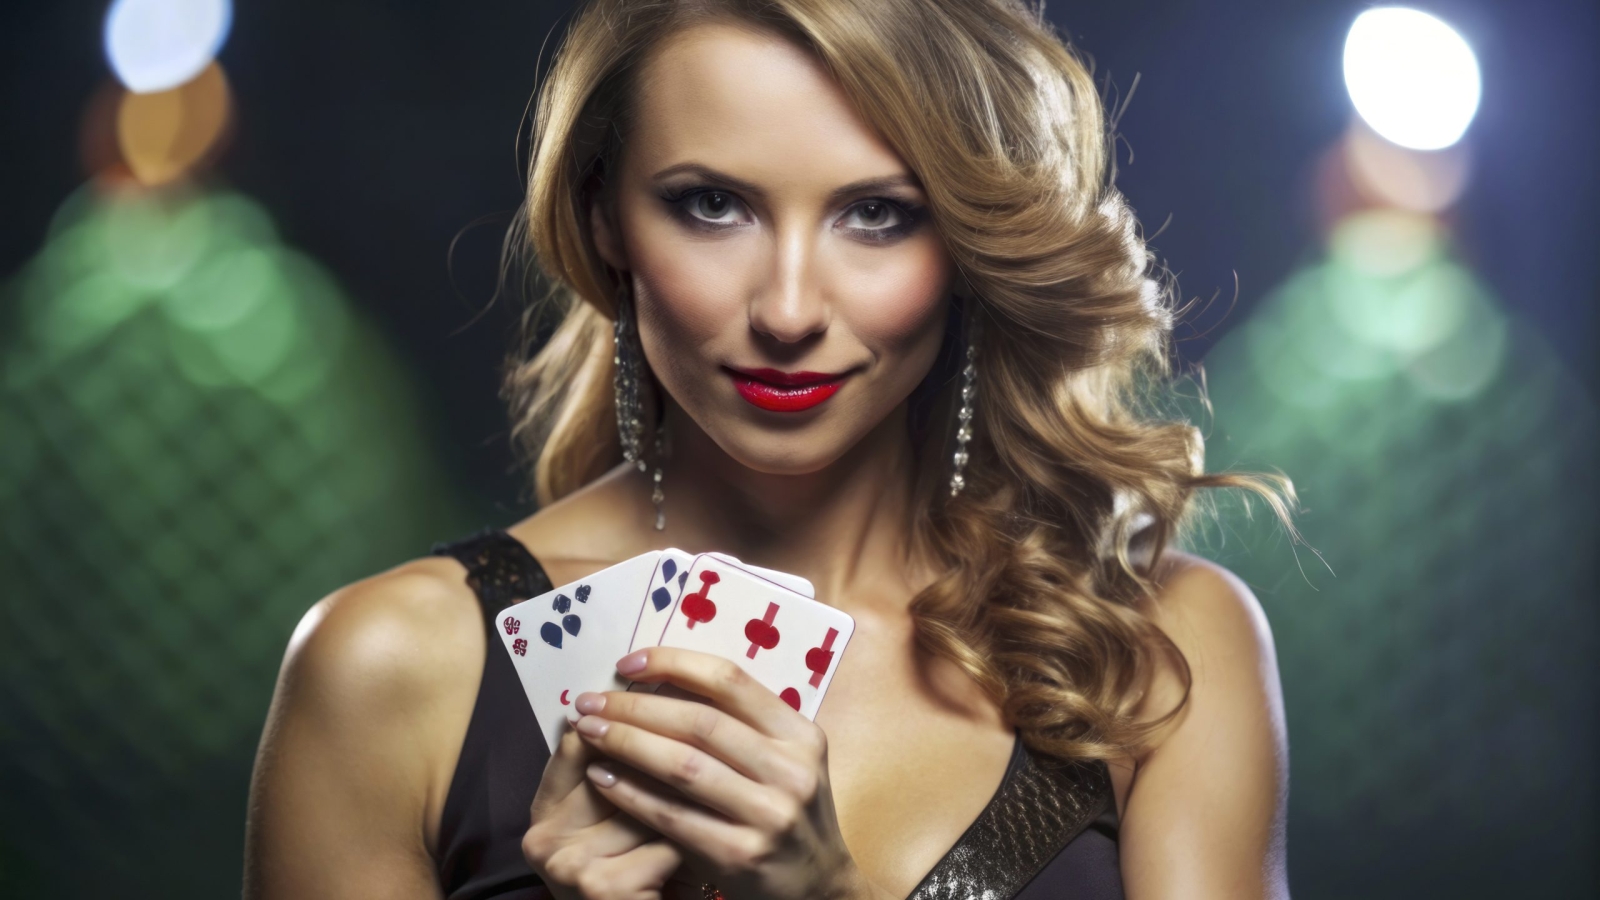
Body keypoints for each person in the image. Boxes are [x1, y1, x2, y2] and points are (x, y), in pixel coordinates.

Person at [244, 0, 1298, 897]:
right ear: (606, 218)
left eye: (877, 215)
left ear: (969, 241)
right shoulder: (391, 668)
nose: (788, 309)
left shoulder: (1162, 648)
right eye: (712, 206)